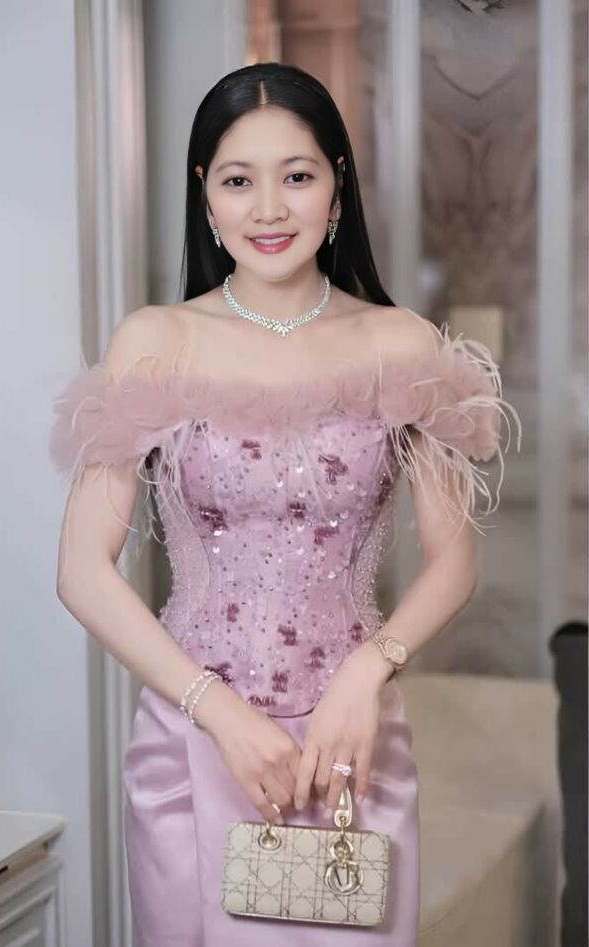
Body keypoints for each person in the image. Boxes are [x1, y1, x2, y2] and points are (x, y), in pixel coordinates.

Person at [49, 62, 521, 947]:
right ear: (205, 193)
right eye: (238, 181)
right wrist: (219, 710)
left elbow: (455, 557)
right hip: (193, 741)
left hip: (350, 748)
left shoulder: (399, 343)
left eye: (297, 175)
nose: (269, 209)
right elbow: (82, 569)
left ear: (336, 185)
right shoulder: (157, 340)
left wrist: (366, 673)